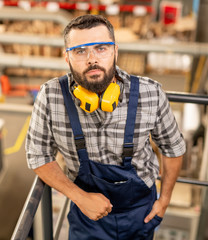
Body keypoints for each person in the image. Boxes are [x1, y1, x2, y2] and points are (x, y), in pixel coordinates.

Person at [25, 14, 186, 240]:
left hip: (141, 213)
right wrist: (79, 197)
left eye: (101, 48)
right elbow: (37, 155)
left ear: (115, 51)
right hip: (86, 216)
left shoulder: (150, 93)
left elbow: (173, 148)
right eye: (80, 51)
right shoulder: (51, 96)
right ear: (67, 58)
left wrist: (165, 199)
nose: (92, 59)